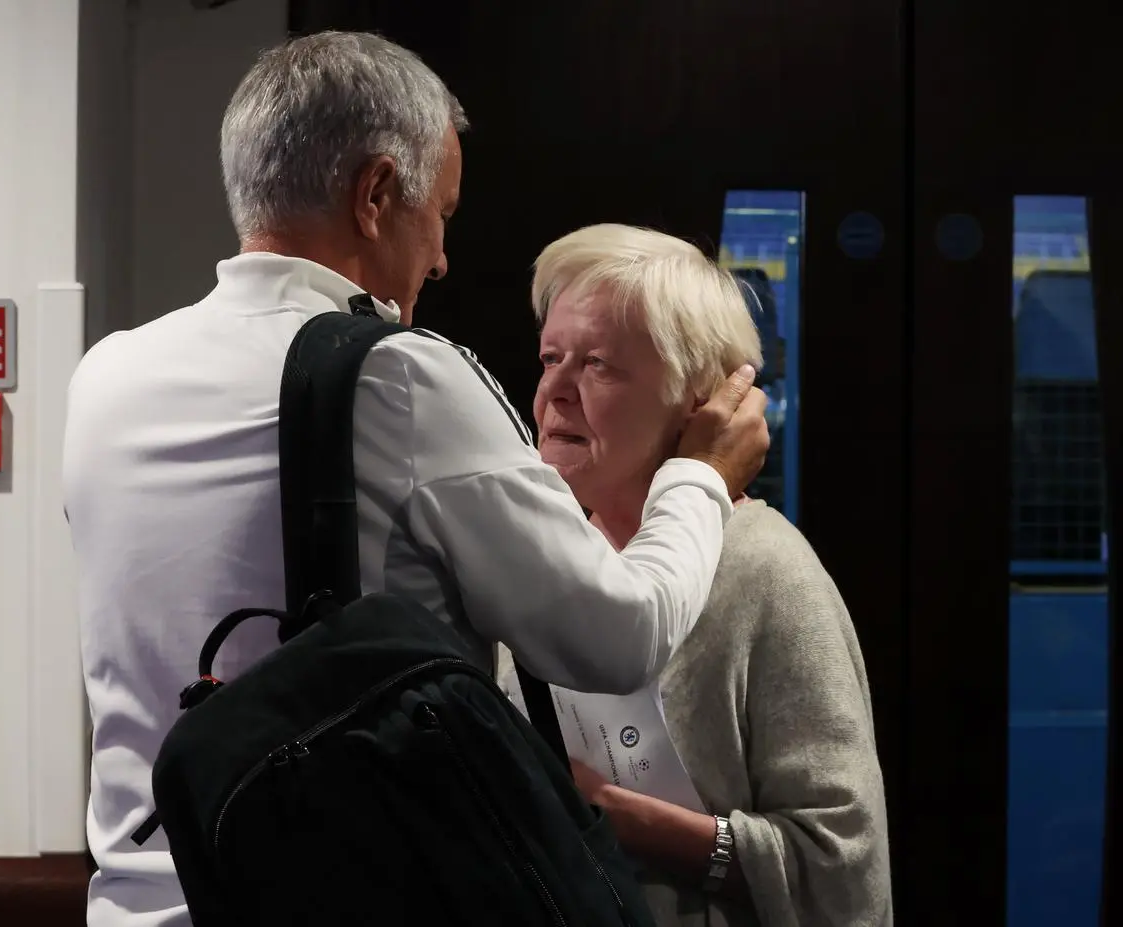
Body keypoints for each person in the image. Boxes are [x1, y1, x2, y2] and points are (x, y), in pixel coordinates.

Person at [62, 33, 768, 927]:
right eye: (440, 213)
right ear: (376, 194)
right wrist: (700, 476)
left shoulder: (105, 379)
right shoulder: (398, 376)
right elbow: (617, 635)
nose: (438, 259)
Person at [499, 223, 892, 926]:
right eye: (550, 357)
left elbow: (844, 871)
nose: (553, 392)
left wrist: (617, 817)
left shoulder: (768, 570)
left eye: (599, 365)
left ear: (701, 403)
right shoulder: (534, 560)